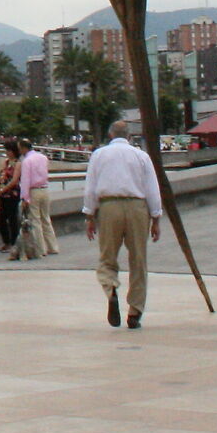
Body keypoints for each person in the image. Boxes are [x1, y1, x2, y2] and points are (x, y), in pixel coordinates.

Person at [80, 121, 164, 329]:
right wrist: (156, 218)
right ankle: (135, 311)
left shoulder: (99, 155)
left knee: (107, 257)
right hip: (137, 207)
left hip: (109, 207)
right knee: (138, 259)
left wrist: (90, 215)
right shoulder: (141, 156)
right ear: (129, 136)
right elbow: (152, 188)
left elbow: (90, 188)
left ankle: (111, 289)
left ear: (110, 134)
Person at [19, 138, 57, 258]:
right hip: (45, 189)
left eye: (20, 148)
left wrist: (25, 198)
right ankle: (53, 246)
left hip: (34, 191)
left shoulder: (27, 161)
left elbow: (25, 181)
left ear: (24, 148)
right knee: (46, 218)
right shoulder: (43, 157)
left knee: (35, 220)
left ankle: (41, 249)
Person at [0, 139, 24, 254]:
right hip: (3, 194)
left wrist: (3, 190)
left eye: (9, 150)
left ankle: (14, 243)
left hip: (12, 194)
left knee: (12, 219)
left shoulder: (18, 163)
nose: (7, 152)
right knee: (0, 218)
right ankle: (6, 242)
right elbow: (2, 175)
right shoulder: (6, 162)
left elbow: (15, 180)